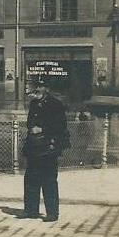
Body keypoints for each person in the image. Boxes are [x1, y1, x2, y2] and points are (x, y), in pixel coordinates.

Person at [22, 76, 70, 222]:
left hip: (49, 146)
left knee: (49, 179)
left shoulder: (55, 105)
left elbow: (60, 126)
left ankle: (52, 213)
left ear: (47, 89)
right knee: (31, 178)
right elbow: (30, 122)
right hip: (34, 146)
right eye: (36, 86)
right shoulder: (34, 104)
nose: (37, 89)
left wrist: (42, 128)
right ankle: (31, 210)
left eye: (40, 86)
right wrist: (32, 128)